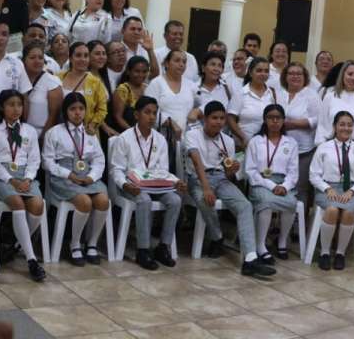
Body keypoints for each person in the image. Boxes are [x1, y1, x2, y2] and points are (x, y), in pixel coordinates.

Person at [185, 101, 276, 276]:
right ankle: (217, 237)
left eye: (221, 118)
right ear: (204, 119)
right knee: (206, 200)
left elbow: (227, 175)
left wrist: (231, 171)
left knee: (245, 205)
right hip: (198, 178)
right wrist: (206, 188)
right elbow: (197, 163)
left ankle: (250, 258)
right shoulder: (193, 135)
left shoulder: (227, 141)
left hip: (220, 179)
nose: (218, 122)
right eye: (214, 118)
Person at [109, 96, 181, 270]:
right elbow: (116, 169)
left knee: (175, 200)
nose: (151, 117)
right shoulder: (125, 138)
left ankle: (163, 247)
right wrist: (125, 185)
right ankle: (143, 249)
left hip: (155, 185)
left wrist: (175, 182)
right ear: (136, 115)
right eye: (147, 112)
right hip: (131, 186)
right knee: (144, 200)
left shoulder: (160, 139)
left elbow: (163, 170)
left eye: (154, 113)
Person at [0, 90, 47, 282]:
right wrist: (11, 180)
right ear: (2, 107)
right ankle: (31, 260)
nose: (16, 109)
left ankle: (18, 245)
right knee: (17, 203)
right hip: (2, 177)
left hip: (25, 175)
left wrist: (27, 179)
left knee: (37, 205)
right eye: (11, 104)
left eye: (19, 105)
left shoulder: (29, 131)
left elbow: (35, 159)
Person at [43, 92, 109, 266]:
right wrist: (68, 174)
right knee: (85, 202)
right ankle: (75, 243)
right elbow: (47, 162)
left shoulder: (90, 133)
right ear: (66, 112)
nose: (77, 113)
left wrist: (91, 176)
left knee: (103, 200)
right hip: (63, 177)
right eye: (73, 109)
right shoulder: (54, 133)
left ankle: (92, 243)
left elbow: (99, 159)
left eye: (81, 109)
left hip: (86, 175)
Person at [310, 111, 354, 270]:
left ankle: (340, 253)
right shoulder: (324, 148)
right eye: (342, 124)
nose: (346, 128)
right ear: (335, 126)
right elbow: (314, 175)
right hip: (328, 188)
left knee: (349, 212)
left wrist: (352, 191)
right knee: (332, 210)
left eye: (350, 125)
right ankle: (324, 253)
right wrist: (327, 188)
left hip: (351, 189)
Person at [246, 104, 300, 263]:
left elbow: (293, 172)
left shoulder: (291, 143)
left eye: (278, 118)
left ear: (283, 121)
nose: (275, 121)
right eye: (271, 117)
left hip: (283, 183)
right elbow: (251, 171)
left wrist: (284, 186)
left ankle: (282, 241)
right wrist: (271, 186)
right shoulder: (255, 141)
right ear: (265, 119)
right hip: (261, 182)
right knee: (266, 202)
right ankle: (261, 245)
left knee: (291, 202)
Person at [279, 63, 321, 213]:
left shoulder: (311, 95)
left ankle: (298, 227)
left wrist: (292, 124)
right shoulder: (279, 93)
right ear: (285, 77)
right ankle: (279, 223)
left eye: (299, 74)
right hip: (280, 149)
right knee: (281, 185)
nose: (295, 76)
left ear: (305, 77)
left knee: (300, 188)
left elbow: (318, 120)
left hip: (304, 150)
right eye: (291, 73)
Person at [315, 60, 354, 146]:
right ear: (342, 75)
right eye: (350, 74)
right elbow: (321, 126)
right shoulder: (329, 97)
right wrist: (322, 146)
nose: (353, 78)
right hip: (330, 145)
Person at [145, 50, 199, 152]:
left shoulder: (191, 85)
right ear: (166, 63)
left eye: (184, 61)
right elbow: (148, 110)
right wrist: (170, 122)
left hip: (185, 139)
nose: (181, 64)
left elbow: (205, 104)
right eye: (177, 60)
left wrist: (196, 111)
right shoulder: (156, 83)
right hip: (160, 136)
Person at [58, 42, 111, 137]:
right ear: (70, 58)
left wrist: (92, 124)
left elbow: (102, 110)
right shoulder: (58, 77)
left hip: (86, 132)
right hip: (60, 130)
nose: (82, 59)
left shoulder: (96, 82)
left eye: (86, 56)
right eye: (78, 55)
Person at [229, 57, 279, 146]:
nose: (263, 74)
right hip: (244, 145)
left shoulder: (271, 93)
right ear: (251, 73)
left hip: (267, 145)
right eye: (259, 70)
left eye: (266, 71)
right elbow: (230, 119)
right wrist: (243, 138)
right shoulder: (241, 93)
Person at [23, 43, 62, 132]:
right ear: (24, 60)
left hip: (43, 134)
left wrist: (44, 137)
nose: (37, 61)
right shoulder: (19, 79)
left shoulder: (52, 82)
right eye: (32, 58)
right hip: (23, 133)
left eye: (40, 58)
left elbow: (54, 116)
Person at [111, 56, 150, 132]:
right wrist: (134, 133)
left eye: (144, 71)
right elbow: (118, 117)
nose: (141, 75)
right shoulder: (123, 90)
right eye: (137, 71)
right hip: (127, 133)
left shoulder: (148, 88)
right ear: (128, 71)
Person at [195, 51, 232, 115]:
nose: (216, 69)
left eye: (219, 66)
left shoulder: (227, 88)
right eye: (213, 64)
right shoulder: (194, 88)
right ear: (203, 68)